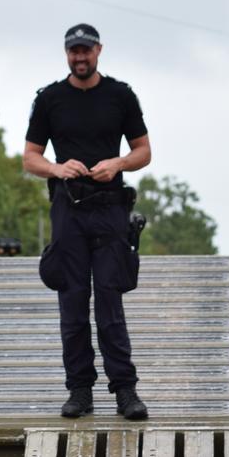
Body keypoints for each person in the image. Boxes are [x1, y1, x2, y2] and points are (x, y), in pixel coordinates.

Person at [23, 23, 152, 420]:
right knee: (73, 303)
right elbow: (30, 157)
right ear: (66, 54)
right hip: (68, 209)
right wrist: (57, 169)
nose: (80, 57)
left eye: (86, 50)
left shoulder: (120, 95)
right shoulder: (50, 99)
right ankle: (80, 391)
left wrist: (117, 163)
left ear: (99, 50)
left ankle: (125, 391)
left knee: (110, 302)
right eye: (73, 51)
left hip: (111, 208)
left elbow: (143, 151)